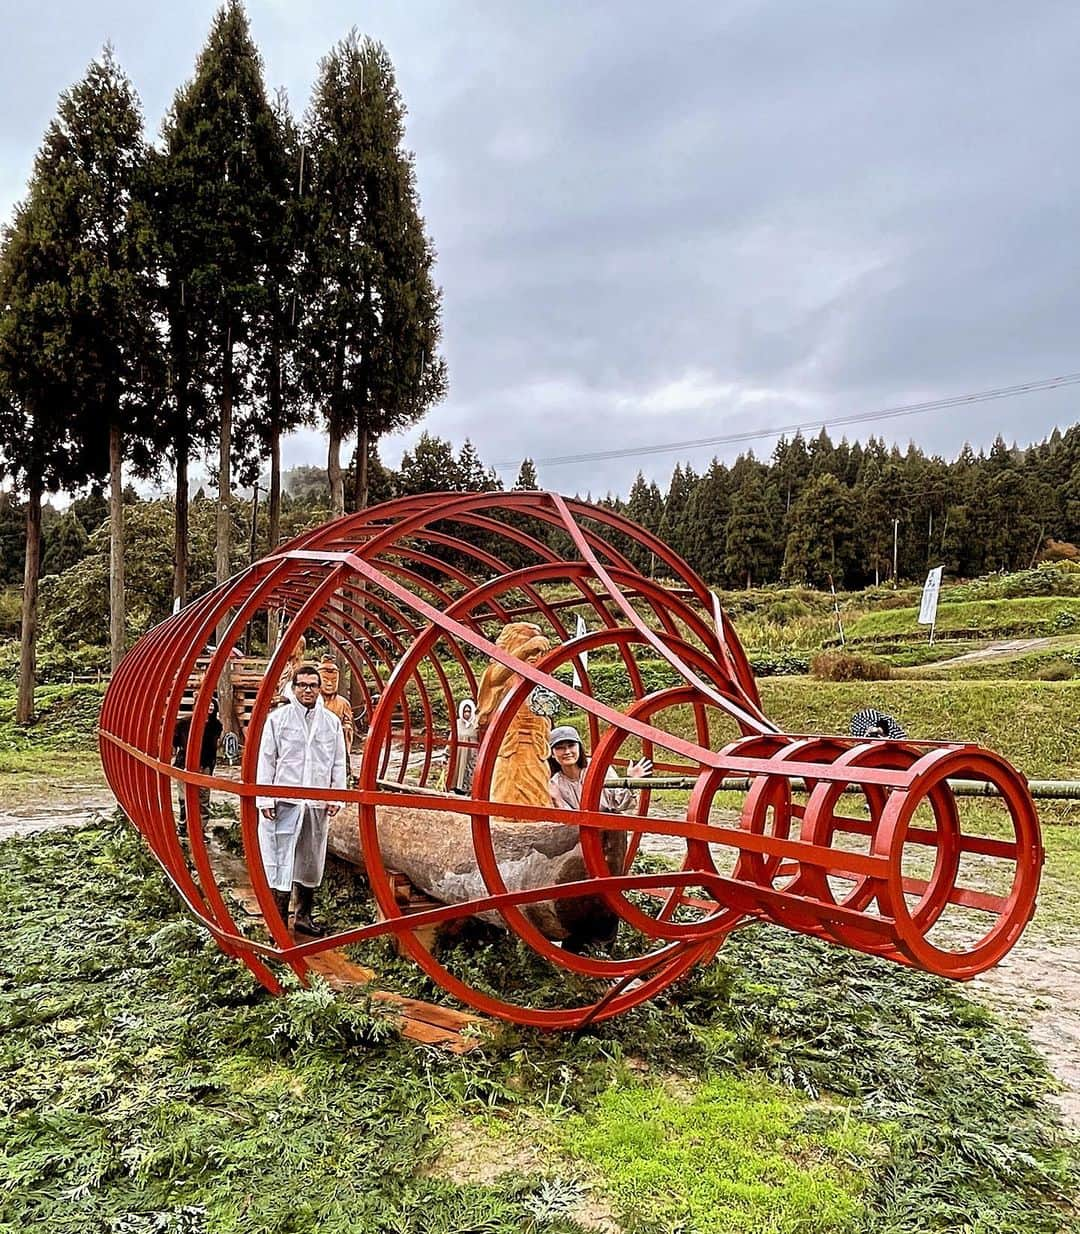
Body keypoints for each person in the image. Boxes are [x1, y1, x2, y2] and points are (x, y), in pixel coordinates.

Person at [256, 663, 347, 935]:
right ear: (293, 688)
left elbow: (338, 762)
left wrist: (336, 795)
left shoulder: (330, 723)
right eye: (302, 685)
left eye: (312, 685)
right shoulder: (278, 719)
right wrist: (265, 799)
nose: (308, 690)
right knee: (281, 857)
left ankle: (303, 918)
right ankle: (277, 921)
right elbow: (267, 760)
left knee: (310, 859)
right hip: (285, 802)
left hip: (316, 803)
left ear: (319, 689)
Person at [475, 622, 557, 810]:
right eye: (527, 643)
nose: (534, 653)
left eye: (537, 649)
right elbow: (496, 677)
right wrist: (524, 650)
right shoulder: (500, 675)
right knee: (507, 791)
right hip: (510, 749)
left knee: (538, 794)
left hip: (537, 751)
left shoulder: (538, 682)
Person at [548, 725, 652, 813]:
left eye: (571, 746)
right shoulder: (555, 783)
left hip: (609, 829)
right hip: (578, 834)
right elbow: (566, 821)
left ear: (579, 747)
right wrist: (557, 799)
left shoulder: (598, 768)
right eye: (560, 748)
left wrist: (631, 781)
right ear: (552, 753)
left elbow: (620, 803)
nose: (567, 751)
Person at [172, 696, 223, 834]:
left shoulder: (216, 726)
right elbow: (175, 742)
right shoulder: (184, 724)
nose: (210, 708)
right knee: (184, 797)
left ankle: (200, 829)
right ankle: (183, 825)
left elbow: (213, 746)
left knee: (203, 797)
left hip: (205, 764)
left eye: (213, 706)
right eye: (208, 705)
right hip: (185, 764)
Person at [318, 655, 355, 753]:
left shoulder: (343, 703)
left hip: (336, 743)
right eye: (325, 681)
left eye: (334, 681)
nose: (330, 684)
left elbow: (348, 723)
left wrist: (345, 728)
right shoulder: (313, 702)